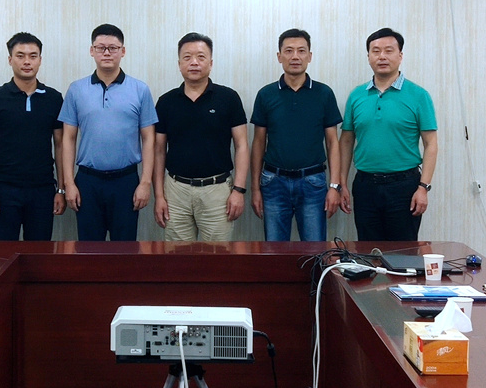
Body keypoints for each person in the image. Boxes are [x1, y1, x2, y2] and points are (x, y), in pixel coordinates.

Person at [59, 23, 158, 241]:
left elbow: (149, 139)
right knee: (88, 249)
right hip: (87, 181)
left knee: (124, 249)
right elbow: (68, 138)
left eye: (113, 48)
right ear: (91, 50)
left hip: (126, 181)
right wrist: (69, 183)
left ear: (123, 51)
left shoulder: (140, 89)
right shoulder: (76, 89)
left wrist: (145, 183)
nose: (106, 53)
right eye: (100, 47)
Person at [339, 27, 438, 241]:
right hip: (365, 185)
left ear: (400, 56)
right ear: (368, 57)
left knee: (402, 252)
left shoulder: (419, 95)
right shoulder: (357, 95)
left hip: (404, 186)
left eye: (389, 50)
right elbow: (346, 141)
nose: (382, 56)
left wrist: (423, 187)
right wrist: (342, 183)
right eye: (376, 51)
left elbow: (431, 144)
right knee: (367, 250)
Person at [153, 33, 248, 241]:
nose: (194, 62)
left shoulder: (229, 98)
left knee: (216, 256)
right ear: (179, 64)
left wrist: (239, 190)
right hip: (176, 191)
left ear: (211, 63)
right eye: (187, 57)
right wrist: (159, 196)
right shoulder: (166, 102)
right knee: (177, 255)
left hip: (217, 191)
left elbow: (242, 145)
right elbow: (158, 151)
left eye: (201, 57)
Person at [250, 28, 343, 242]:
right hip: (273, 182)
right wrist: (255, 188)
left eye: (301, 51)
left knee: (314, 250)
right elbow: (258, 143)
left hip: (313, 182)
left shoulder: (324, 93)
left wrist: (334, 186)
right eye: (289, 51)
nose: (295, 56)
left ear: (310, 56)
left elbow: (333, 143)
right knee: (274, 250)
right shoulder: (266, 94)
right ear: (279, 56)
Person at [0, 32, 66, 241]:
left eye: (33, 56)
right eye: (20, 56)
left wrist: (61, 190)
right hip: (5, 189)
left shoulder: (54, 98)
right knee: (3, 252)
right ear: (10, 60)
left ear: (40, 60)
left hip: (43, 189)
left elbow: (61, 145)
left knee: (39, 252)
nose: (27, 61)